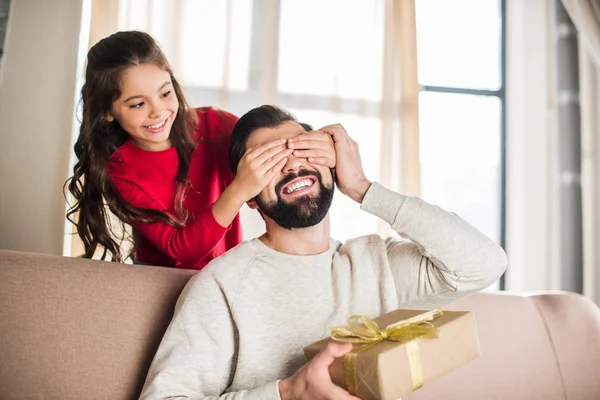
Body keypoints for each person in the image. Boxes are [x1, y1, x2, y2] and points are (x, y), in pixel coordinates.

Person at [139, 105, 507, 399]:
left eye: (304, 149)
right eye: (268, 161)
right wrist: (288, 392)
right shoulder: (222, 283)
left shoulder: (377, 264)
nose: (293, 163)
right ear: (248, 194)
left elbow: (484, 264)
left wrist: (363, 187)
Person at [64, 32, 335, 269]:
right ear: (107, 111)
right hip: (158, 281)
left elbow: (274, 166)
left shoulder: (215, 125)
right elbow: (182, 250)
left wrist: (324, 152)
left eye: (165, 93)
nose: (158, 111)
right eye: (137, 104)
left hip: (225, 274)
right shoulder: (119, 170)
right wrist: (239, 189)